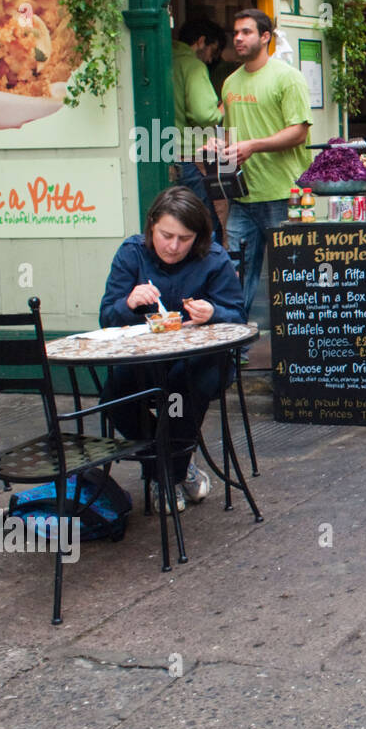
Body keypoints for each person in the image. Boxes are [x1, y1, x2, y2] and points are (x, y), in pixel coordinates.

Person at [99, 187, 247, 511]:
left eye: (185, 238)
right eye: (166, 235)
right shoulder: (131, 253)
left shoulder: (214, 259)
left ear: (198, 237)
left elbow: (240, 319)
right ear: (152, 225)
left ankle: (163, 478)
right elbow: (106, 318)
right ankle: (173, 468)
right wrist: (128, 303)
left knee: (182, 388)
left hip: (203, 362)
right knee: (113, 397)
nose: (174, 246)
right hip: (146, 361)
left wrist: (214, 313)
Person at [208, 8, 312, 320]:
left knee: (292, 272)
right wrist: (218, 144)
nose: (238, 38)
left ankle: (299, 345)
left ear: (265, 37)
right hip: (243, 195)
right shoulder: (229, 83)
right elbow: (232, 134)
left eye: (246, 32)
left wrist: (255, 145)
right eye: (236, 32)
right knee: (233, 273)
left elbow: (299, 131)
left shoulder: (288, 78)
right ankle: (234, 346)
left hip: (286, 193)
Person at [172, 19, 227, 244]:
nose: (212, 58)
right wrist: (222, 108)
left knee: (176, 222)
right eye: (213, 50)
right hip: (192, 159)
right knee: (206, 227)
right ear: (202, 42)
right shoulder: (192, 65)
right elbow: (203, 114)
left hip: (164, 154)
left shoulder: (165, 60)